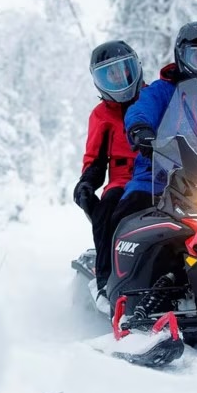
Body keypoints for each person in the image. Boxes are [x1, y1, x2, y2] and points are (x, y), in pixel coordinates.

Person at [110, 21, 197, 228]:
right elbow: (140, 111)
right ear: (182, 56)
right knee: (126, 215)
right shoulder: (162, 91)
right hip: (157, 180)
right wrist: (141, 130)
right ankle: (108, 261)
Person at [74, 40, 144, 305]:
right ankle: (107, 283)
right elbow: (95, 159)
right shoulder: (102, 115)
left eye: (122, 70)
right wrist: (86, 183)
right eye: (109, 75)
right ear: (99, 81)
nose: (118, 79)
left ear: (134, 68)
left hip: (164, 176)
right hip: (122, 181)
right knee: (108, 213)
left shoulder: (153, 98)